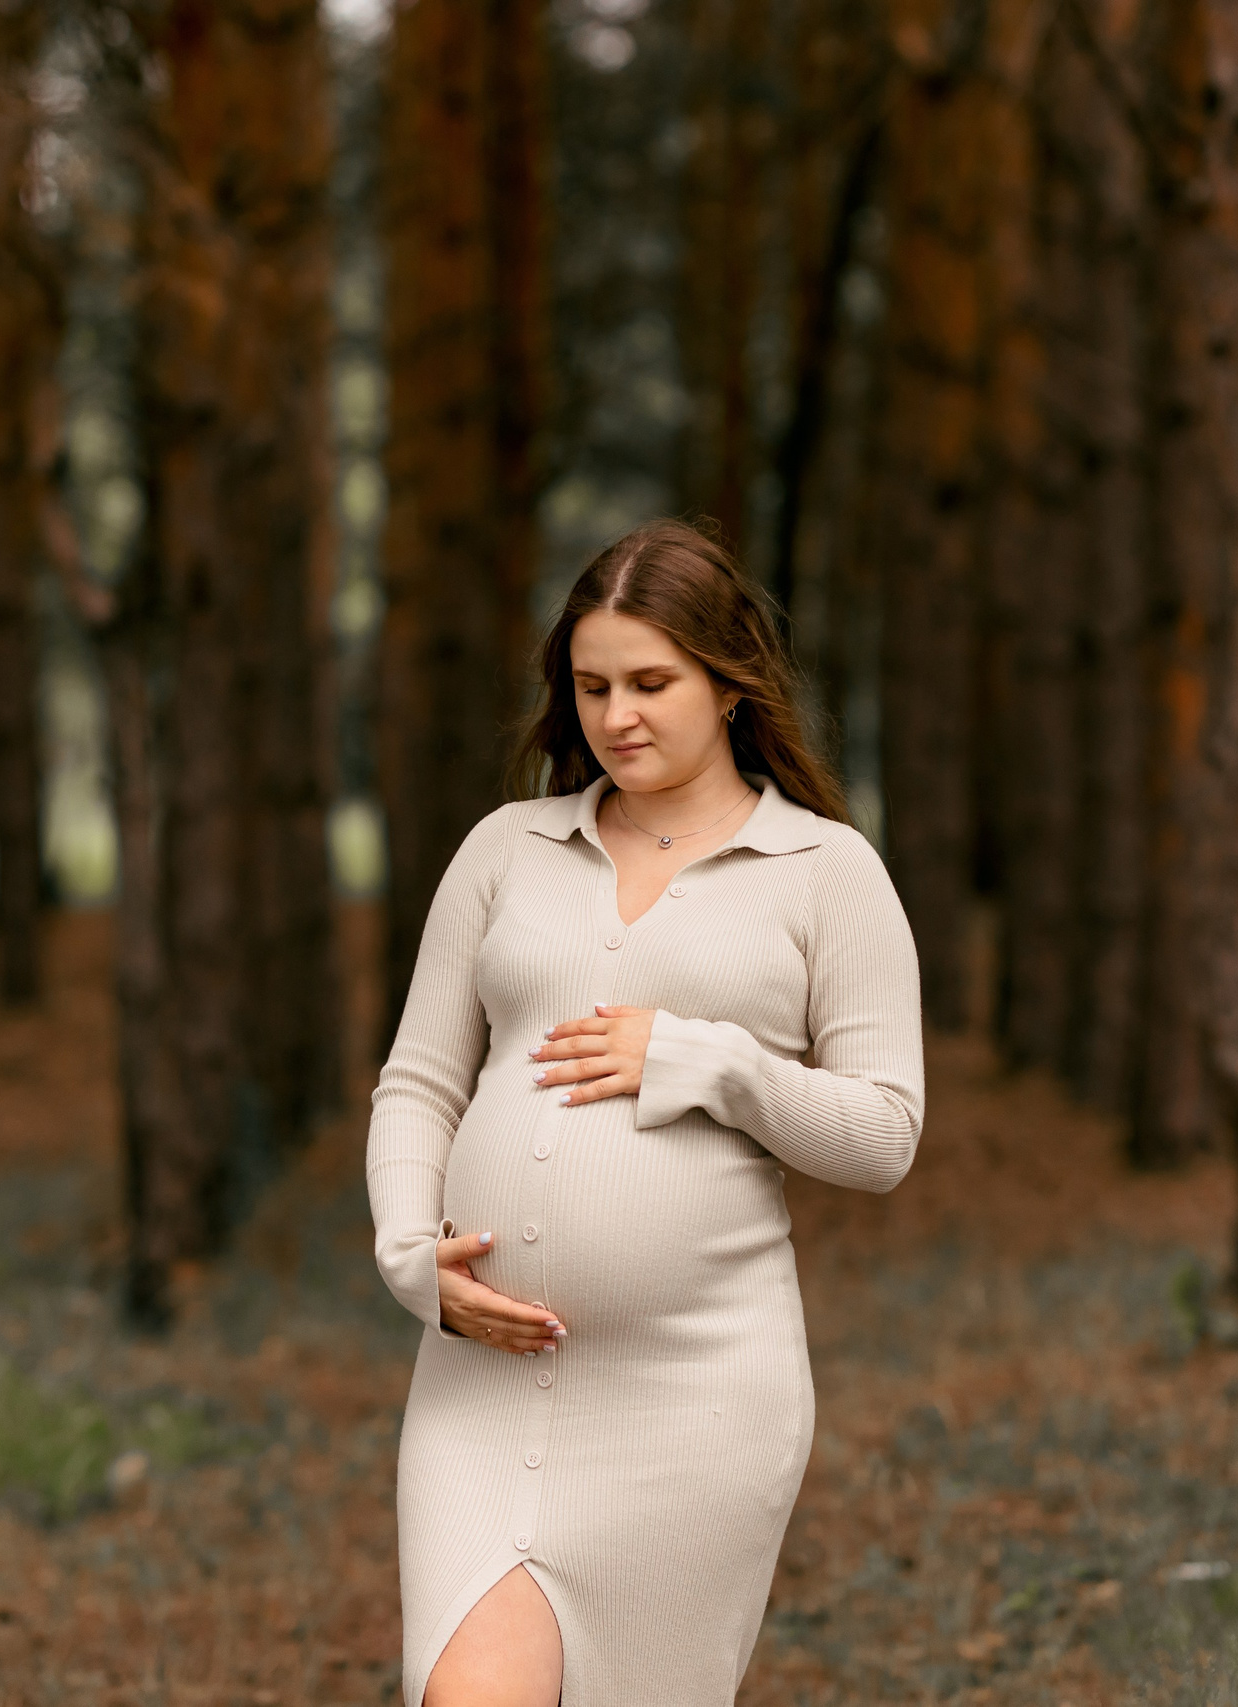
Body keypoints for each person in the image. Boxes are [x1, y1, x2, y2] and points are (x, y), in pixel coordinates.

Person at [366, 519, 926, 1705]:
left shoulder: (825, 872)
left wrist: (706, 1059)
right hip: (479, 1390)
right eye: (591, 687)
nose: (617, 716)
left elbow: (883, 1136)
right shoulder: (505, 851)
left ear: (731, 682)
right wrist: (412, 1258)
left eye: (651, 683)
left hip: (694, 1403)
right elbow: (419, 1080)